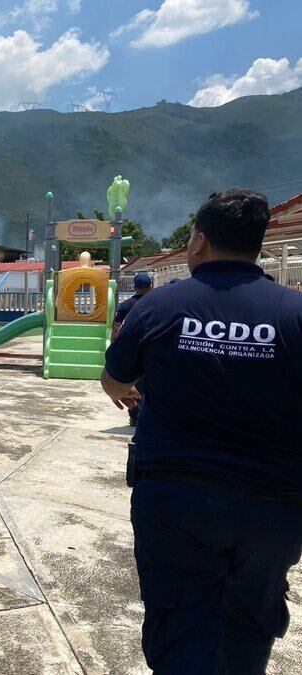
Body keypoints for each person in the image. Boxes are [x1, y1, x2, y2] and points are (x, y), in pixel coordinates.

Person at [100, 188, 302, 674]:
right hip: (273, 505)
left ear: (199, 242)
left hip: (176, 499)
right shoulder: (294, 313)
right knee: (252, 620)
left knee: (180, 619)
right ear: (257, 244)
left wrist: (124, 394)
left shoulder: (158, 307)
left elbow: (114, 377)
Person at [113, 272, 154, 427]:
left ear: (134, 287)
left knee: (134, 384)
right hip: (151, 347)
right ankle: (149, 415)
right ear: (150, 286)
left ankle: (135, 416)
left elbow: (117, 328)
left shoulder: (126, 305)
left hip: (132, 349)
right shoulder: (156, 302)